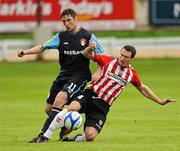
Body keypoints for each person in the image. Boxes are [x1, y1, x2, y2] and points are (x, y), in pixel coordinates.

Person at [37, 43, 175, 142]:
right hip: (90, 95)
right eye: (121, 55)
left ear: (131, 59)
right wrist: (89, 49)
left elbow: (143, 89)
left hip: (103, 106)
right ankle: (45, 136)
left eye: (126, 57)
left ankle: (68, 138)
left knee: (90, 136)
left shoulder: (131, 74)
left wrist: (160, 101)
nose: (122, 58)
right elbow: (86, 55)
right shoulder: (108, 60)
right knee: (71, 108)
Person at [17, 8, 104, 142]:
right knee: (49, 109)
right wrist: (26, 52)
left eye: (69, 20)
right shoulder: (60, 37)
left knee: (60, 98)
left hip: (80, 75)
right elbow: (42, 47)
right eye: (64, 21)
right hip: (63, 75)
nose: (67, 24)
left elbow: (102, 56)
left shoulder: (88, 36)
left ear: (76, 19)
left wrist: (98, 72)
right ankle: (67, 124)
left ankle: (43, 136)